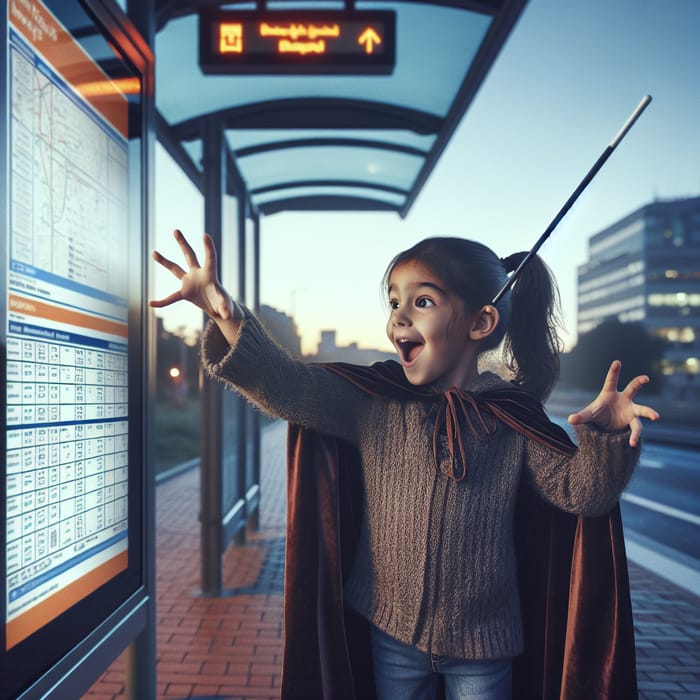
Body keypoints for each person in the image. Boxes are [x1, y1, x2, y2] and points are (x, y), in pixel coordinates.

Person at [150, 229, 659, 700]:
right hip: (388, 630)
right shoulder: (373, 402)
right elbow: (288, 385)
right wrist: (223, 311)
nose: (399, 317)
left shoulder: (510, 417)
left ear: (481, 322)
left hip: (484, 643)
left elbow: (583, 494)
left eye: (422, 301)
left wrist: (605, 438)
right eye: (394, 301)